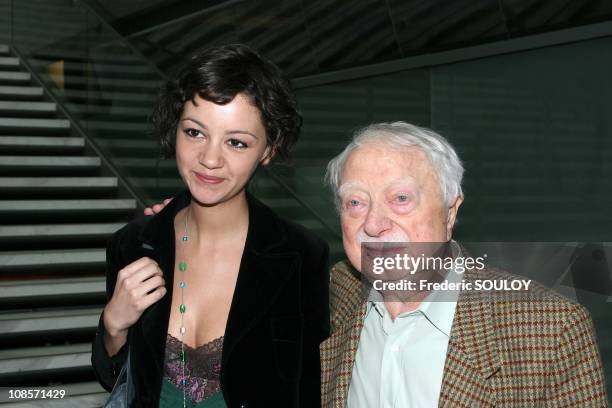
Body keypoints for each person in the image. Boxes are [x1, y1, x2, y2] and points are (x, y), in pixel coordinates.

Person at [91, 44, 330, 408]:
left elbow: (310, 390)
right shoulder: (132, 244)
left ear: (268, 149)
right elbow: (116, 380)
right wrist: (113, 325)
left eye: (236, 142)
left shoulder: (301, 255)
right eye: (195, 133)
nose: (209, 159)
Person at [320, 121, 608, 407]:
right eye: (355, 202)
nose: (373, 224)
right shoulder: (338, 290)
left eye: (401, 198)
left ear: (450, 212)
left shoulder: (551, 331)